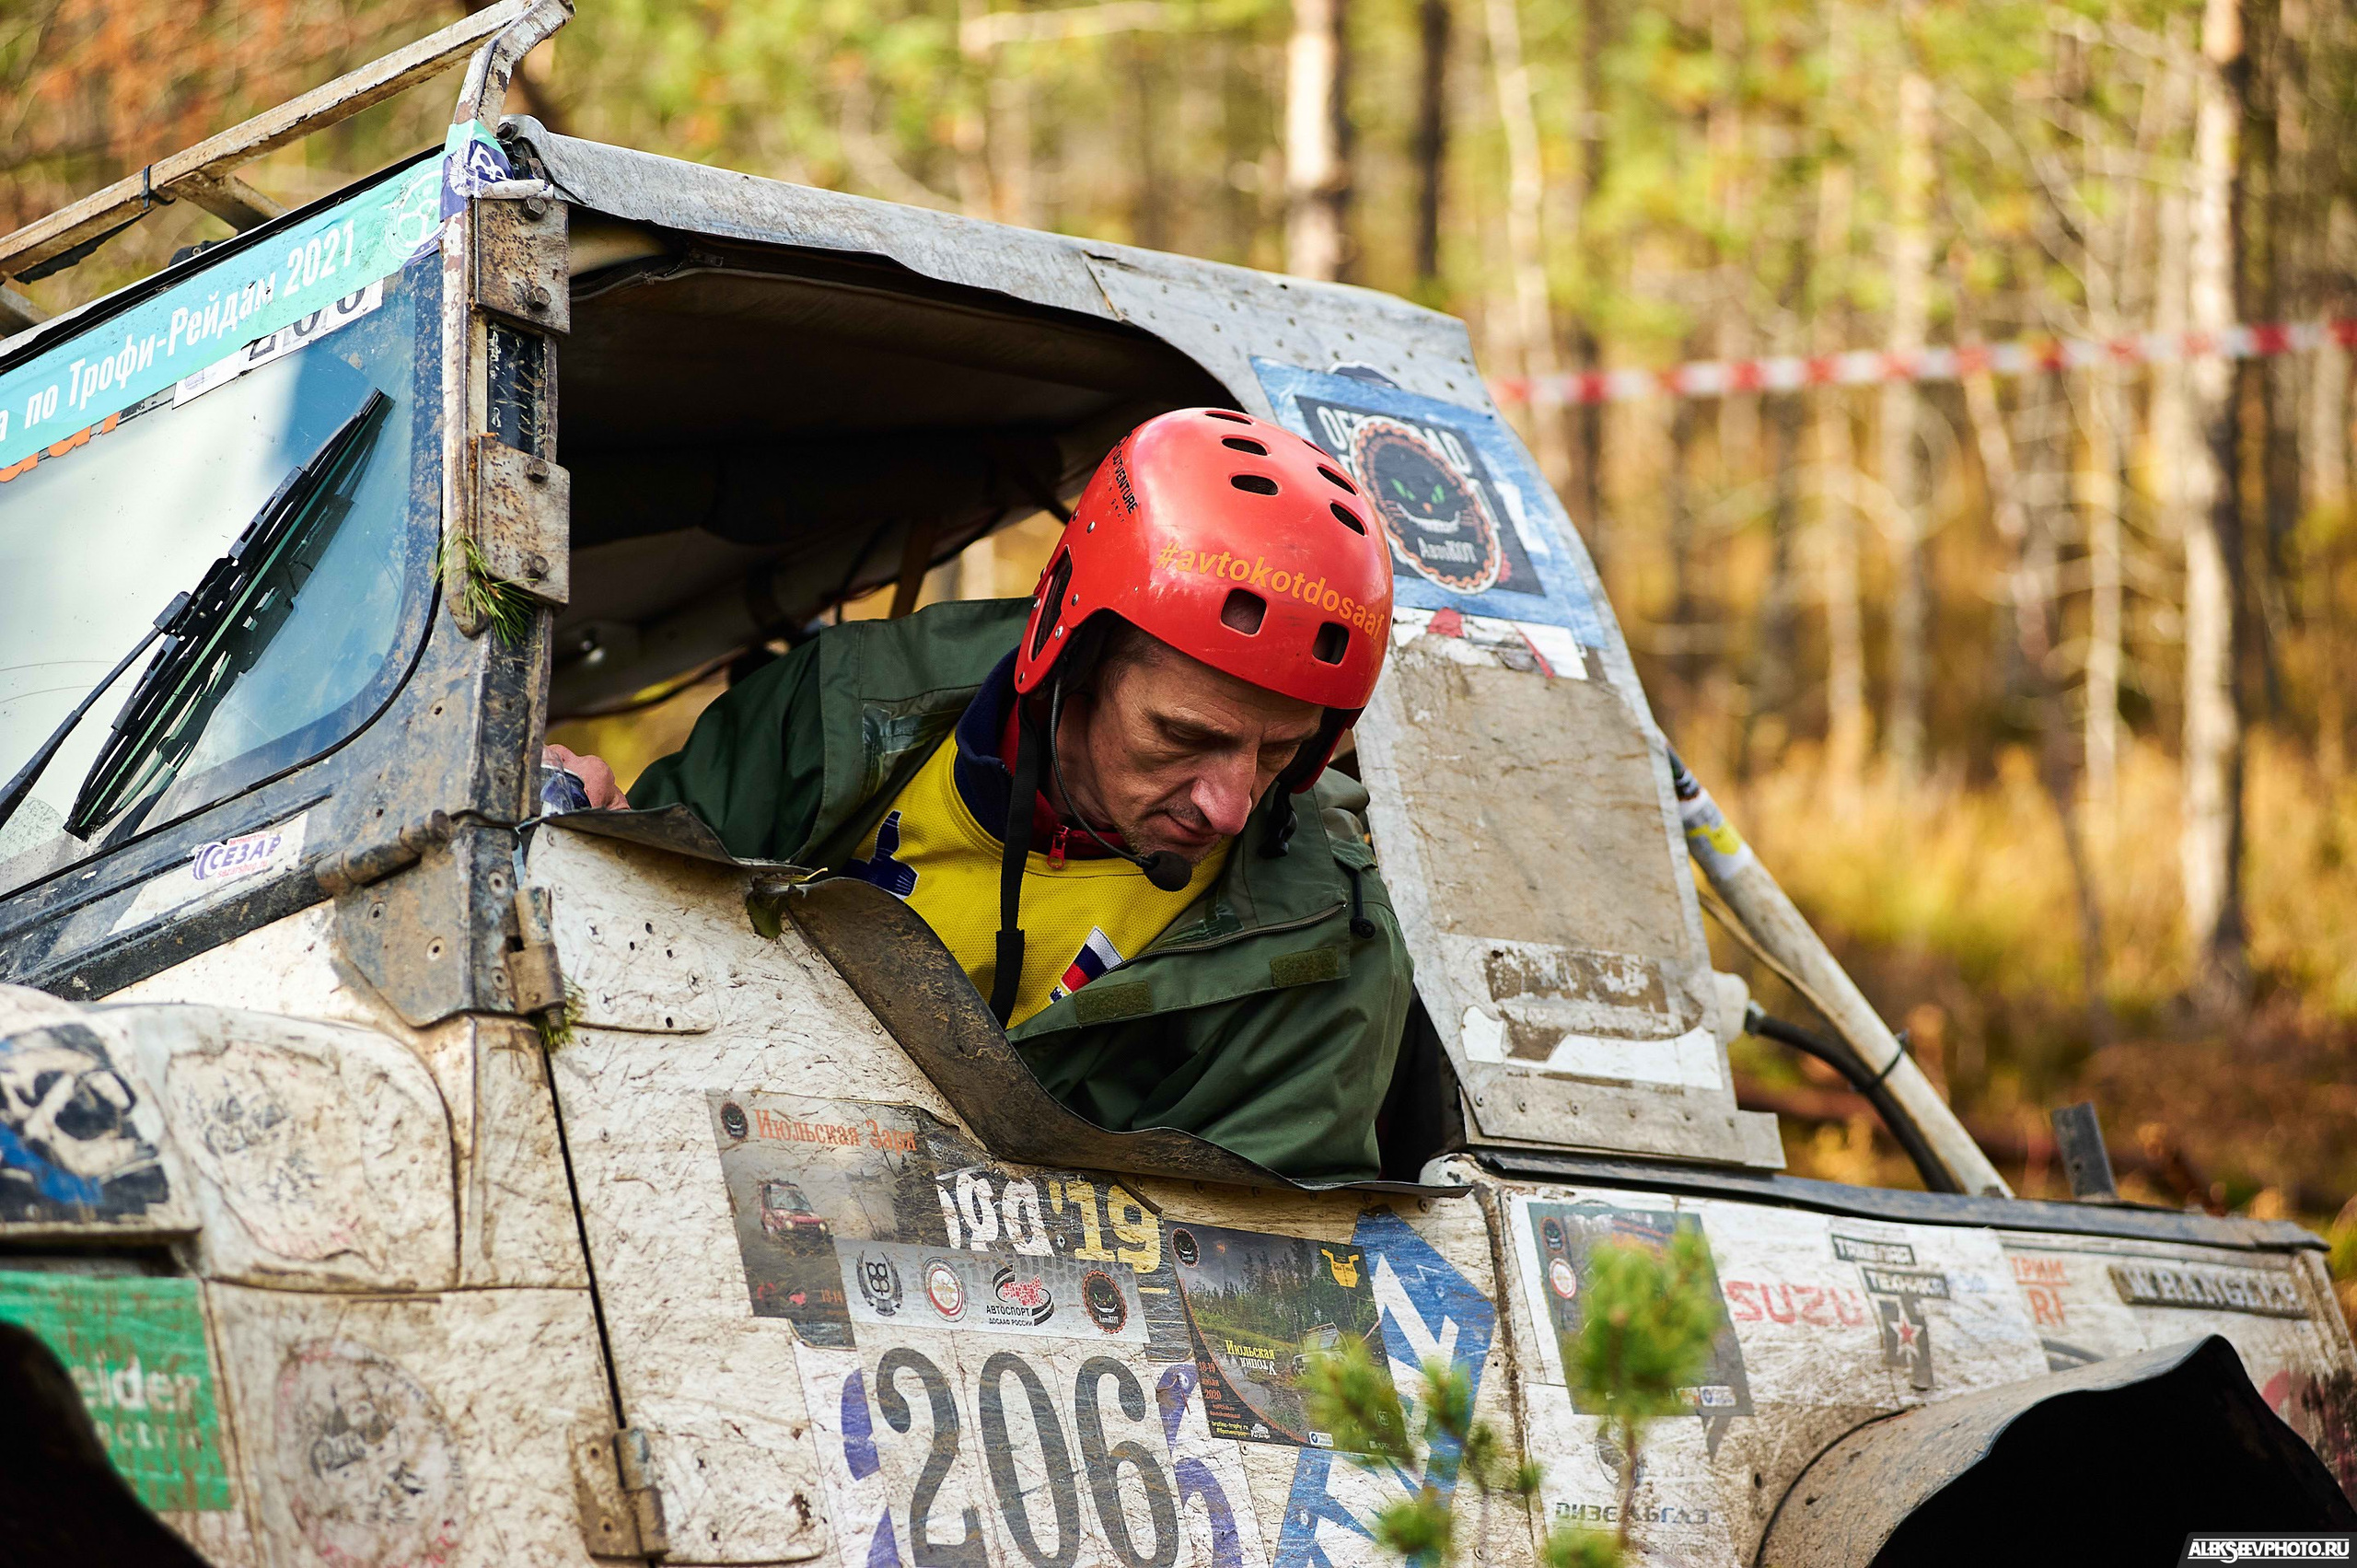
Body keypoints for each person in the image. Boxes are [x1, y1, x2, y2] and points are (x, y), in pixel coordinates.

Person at [547, 408, 1411, 1181]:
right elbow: (626, 992)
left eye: (1281, 751)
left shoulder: (1334, 937)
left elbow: (1263, 1289)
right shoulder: (837, 712)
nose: (1229, 806)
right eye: (1183, 737)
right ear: (1066, 651)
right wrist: (604, 862)